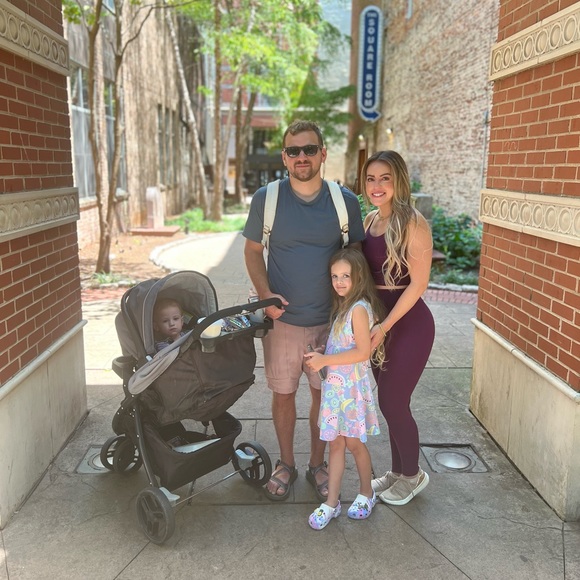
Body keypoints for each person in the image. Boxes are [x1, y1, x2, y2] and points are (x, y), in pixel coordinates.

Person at [243, 120, 365, 501]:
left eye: (309, 149)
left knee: (323, 398)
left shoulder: (344, 202)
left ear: (322, 154)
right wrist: (266, 295)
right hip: (283, 323)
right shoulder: (267, 199)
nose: (301, 157)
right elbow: (252, 251)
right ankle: (286, 463)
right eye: (293, 151)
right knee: (283, 394)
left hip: (331, 325)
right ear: (284, 157)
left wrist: (353, 310)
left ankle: (316, 464)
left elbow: (356, 256)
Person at [360, 150, 435, 506]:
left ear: (398, 181)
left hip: (408, 324)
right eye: (371, 179)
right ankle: (397, 472)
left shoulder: (412, 223)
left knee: (393, 400)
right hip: (378, 323)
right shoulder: (370, 220)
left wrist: (385, 326)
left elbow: (418, 284)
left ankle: (413, 475)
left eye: (384, 178)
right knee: (389, 403)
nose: (377, 186)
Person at [304, 249, 384, 530]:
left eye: (345, 276)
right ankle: (332, 503)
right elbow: (344, 345)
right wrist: (324, 351)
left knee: (354, 444)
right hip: (335, 392)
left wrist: (325, 360)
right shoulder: (342, 308)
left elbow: (362, 351)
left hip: (350, 393)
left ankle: (367, 493)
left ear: (358, 277)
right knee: (335, 444)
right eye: (335, 276)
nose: (339, 282)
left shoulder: (359, 309)